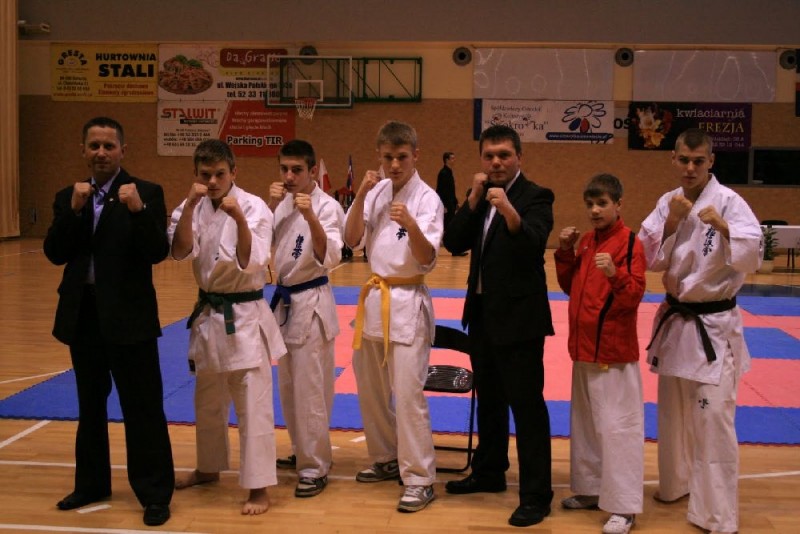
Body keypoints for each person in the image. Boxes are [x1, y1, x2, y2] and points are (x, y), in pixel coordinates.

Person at [43, 116, 174, 526]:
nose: (101, 153)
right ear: (83, 150)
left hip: (130, 318)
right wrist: (74, 211)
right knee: (90, 404)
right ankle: (91, 484)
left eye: (109, 146)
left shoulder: (147, 193)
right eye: (94, 146)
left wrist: (138, 211)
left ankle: (154, 493)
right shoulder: (69, 196)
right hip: (84, 316)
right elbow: (55, 253)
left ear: (123, 150)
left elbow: (157, 251)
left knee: (143, 406)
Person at [639, 128, 762, 534]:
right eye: (684, 160)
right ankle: (676, 485)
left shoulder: (730, 202)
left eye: (698, 161)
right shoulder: (667, 202)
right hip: (678, 323)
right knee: (672, 413)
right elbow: (647, 258)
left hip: (713, 325)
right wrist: (672, 222)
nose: (690, 168)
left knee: (713, 422)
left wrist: (725, 229)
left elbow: (755, 255)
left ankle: (718, 515)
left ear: (711, 161)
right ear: (673, 159)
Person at [443, 124, 554, 528]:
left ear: (519, 157)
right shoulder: (482, 196)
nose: (496, 162)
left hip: (521, 321)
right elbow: (454, 242)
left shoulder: (536, 196)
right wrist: (472, 200)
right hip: (483, 316)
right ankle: (489, 471)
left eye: (504, 155)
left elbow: (532, 245)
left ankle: (536, 495)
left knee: (527, 408)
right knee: (489, 401)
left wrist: (508, 209)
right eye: (489, 155)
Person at [169, 139, 287, 515]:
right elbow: (179, 251)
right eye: (205, 175)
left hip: (245, 314)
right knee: (208, 400)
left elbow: (254, 261)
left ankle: (259, 487)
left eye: (220, 174)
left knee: (253, 404)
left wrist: (238, 220)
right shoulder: (190, 206)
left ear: (234, 172)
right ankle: (208, 467)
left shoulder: (253, 207)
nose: (213, 181)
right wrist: (190, 206)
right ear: (196, 174)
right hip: (208, 314)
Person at [343, 120, 443, 513]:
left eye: (402, 157)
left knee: (408, 394)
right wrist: (360, 195)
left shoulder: (428, 199)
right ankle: (385, 457)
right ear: (379, 157)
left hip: (407, 300)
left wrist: (412, 225)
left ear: (415, 155)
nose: (395, 165)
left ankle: (420, 478)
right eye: (388, 158)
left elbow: (427, 257)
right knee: (370, 389)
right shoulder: (376, 191)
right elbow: (351, 240)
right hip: (373, 297)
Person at [554, 174, 646, 534]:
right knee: (587, 426)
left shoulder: (631, 242)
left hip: (613, 352)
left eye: (602, 203)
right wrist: (565, 252)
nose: (594, 210)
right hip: (583, 349)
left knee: (617, 430)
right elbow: (570, 288)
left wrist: (615, 274)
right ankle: (591, 489)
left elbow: (633, 296)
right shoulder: (588, 241)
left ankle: (624, 507)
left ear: (618, 205)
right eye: (590, 204)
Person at [268, 139, 345, 498]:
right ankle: (301, 450)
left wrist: (311, 215)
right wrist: (270, 206)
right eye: (284, 169)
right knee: (288, 388)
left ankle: (315, 467)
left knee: (311, 389)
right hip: (284, 304)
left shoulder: (328, 206)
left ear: (312, 171)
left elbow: (331, 256)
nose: (289, 176)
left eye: (296, 170)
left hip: (312, 301)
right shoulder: (282, 203)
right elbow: (261, 246)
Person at [436, 151, 458, 228]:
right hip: (446, 206)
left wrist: (455, 202)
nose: (454, 160)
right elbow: (440, 190)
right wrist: (443, 205)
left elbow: (451, 190)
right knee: (447, 226)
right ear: (447, 160)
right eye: (452, 158)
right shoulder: (443, 173)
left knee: (451, 225)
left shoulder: (449, 172)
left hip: (451, 204)